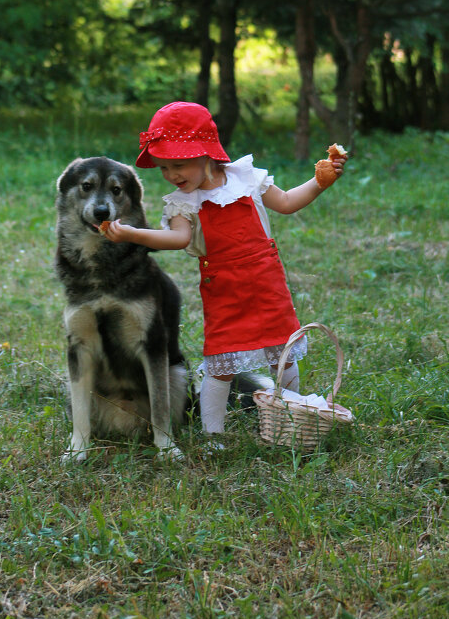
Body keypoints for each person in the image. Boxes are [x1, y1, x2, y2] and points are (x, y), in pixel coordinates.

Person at [103, 101, 347, 438]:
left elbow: (288, 203)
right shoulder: (183, 202)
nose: (172, 175)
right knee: (221, 364)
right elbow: (177, 238)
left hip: (266, 283)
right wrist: (133, 234)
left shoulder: (246, 178)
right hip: (224, 288)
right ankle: (213, 434)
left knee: (284, 353)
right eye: (163, 168)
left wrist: (321, 181)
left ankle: (287, 417)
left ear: (206, 154)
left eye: (178, 164)